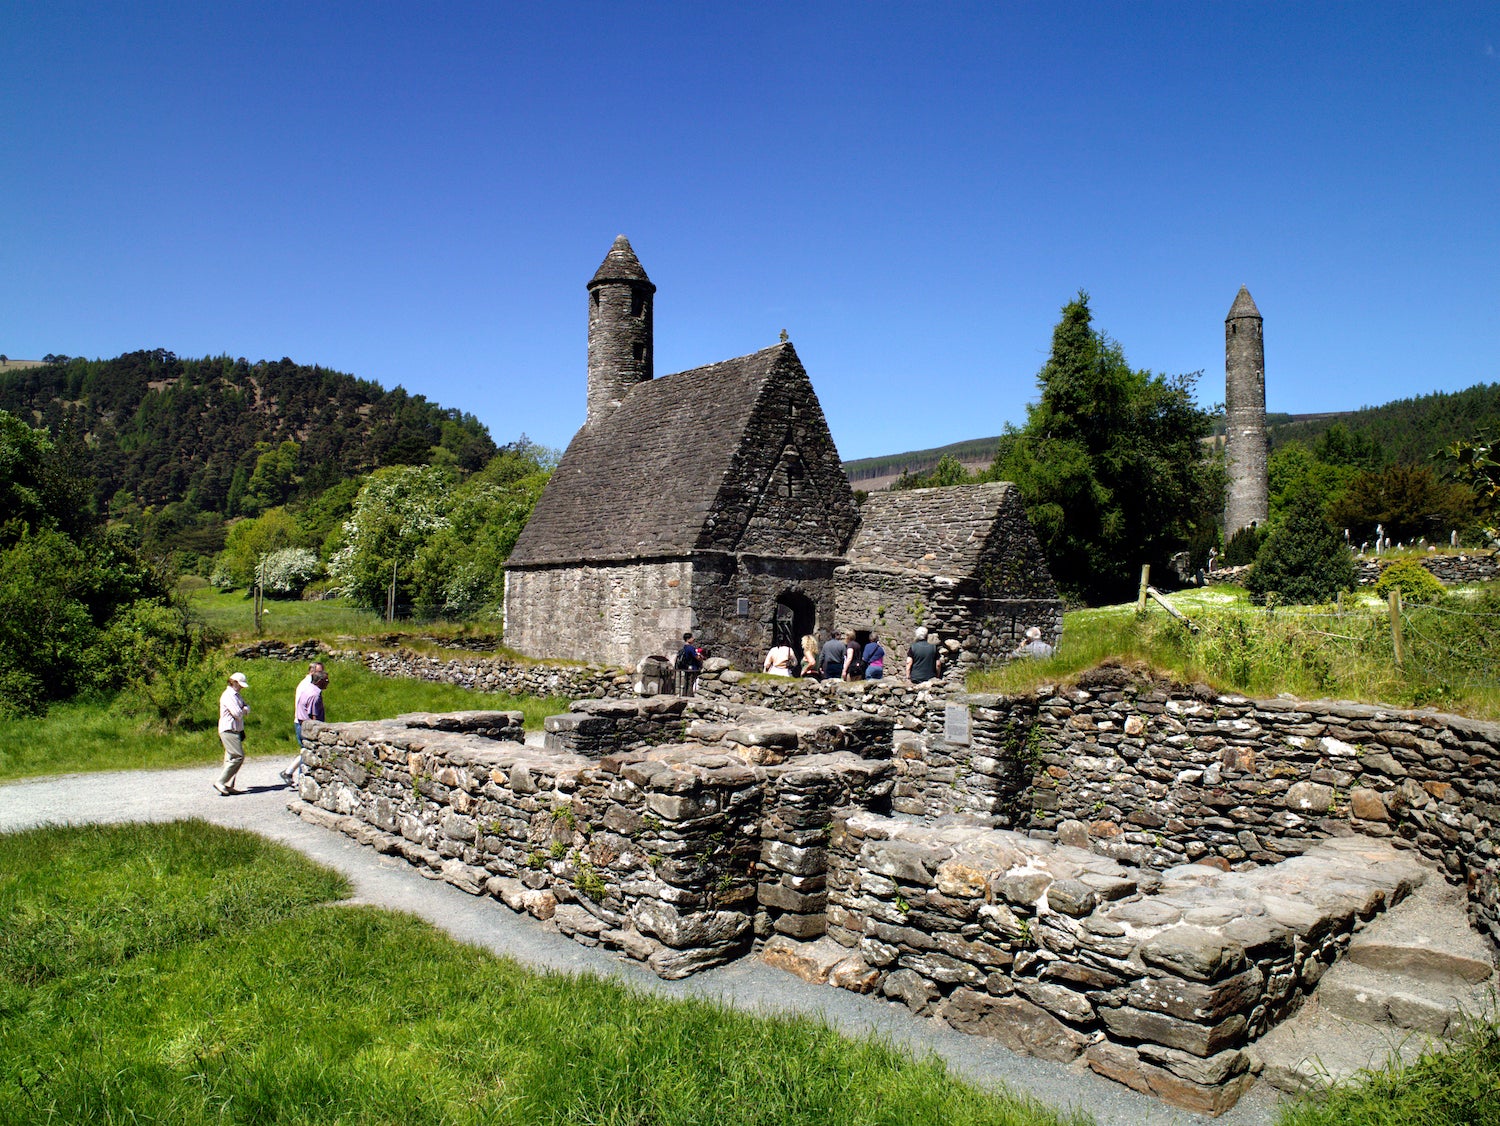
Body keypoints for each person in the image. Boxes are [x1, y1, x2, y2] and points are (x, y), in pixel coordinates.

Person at [281, 661, 327, 785]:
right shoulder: (309, 686)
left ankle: (289, 772)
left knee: (305, 750)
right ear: (312, 672)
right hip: (304, 722)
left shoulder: (308, 685)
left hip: (301, 720)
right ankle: (302, 780)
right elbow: (309, 708)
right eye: (319, 671)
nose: (322, 674)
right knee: (307, 751)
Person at [215, 671, 251, 796]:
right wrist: (244, 709)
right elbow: (237, 713)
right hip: (228, 729)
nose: (241, 687)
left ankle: (228, 785)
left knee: (230, 757)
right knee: (238, 756)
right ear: (233, 682)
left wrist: (244, 709)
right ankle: (221, 781)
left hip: (236, 729)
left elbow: (246, 707)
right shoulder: (228, 695)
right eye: (239, 684)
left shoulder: (237, 695)